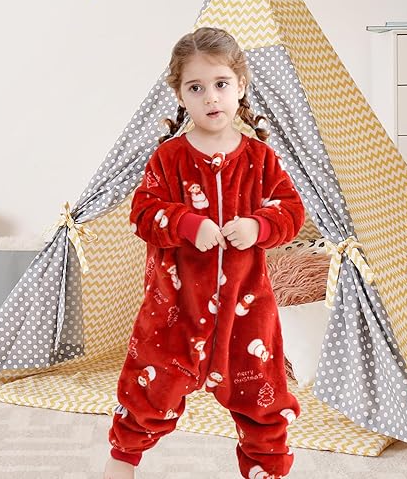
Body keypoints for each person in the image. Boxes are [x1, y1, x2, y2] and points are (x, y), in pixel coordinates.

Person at [103, 27, 305, 479]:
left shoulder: (260, 159)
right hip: (174, 310)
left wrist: (257, 226)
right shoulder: (168, 158)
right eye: (195, 88)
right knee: (149, 392)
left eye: (221, 84)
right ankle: (122, 464)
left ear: (240, 86)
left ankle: (267, 469)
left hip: (246, 314)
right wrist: (186, 224)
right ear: (180, 95)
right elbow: (143, 213)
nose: (211, 97)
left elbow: (291, 211)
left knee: (263, 399)